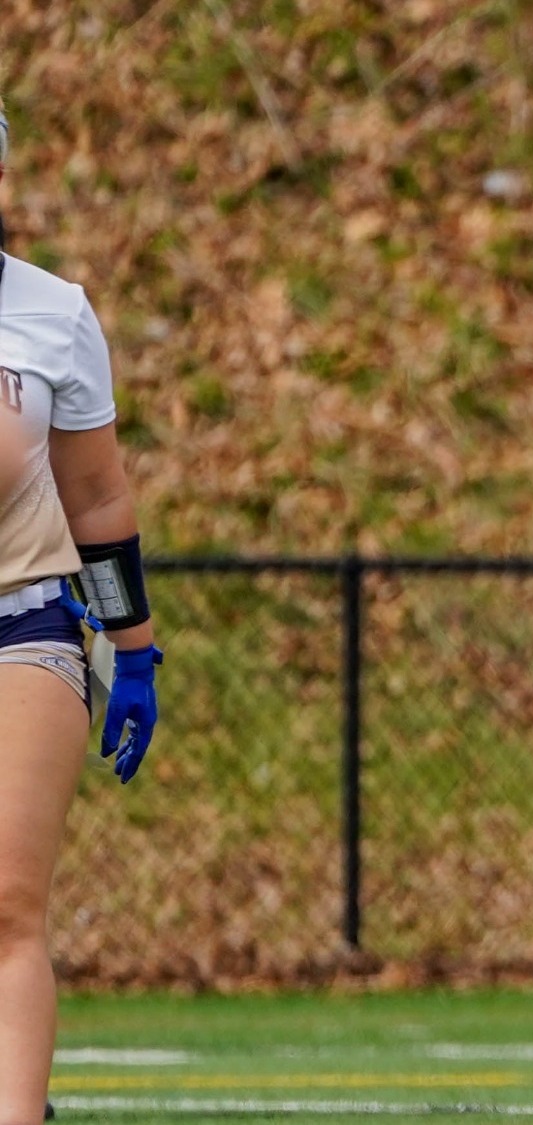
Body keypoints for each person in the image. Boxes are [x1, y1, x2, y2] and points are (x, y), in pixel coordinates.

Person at [0, 98, 164, 1125]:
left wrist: (134, 647)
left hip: (22, 627)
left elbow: (97, 499)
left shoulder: (50, 312)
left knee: (8, 907)